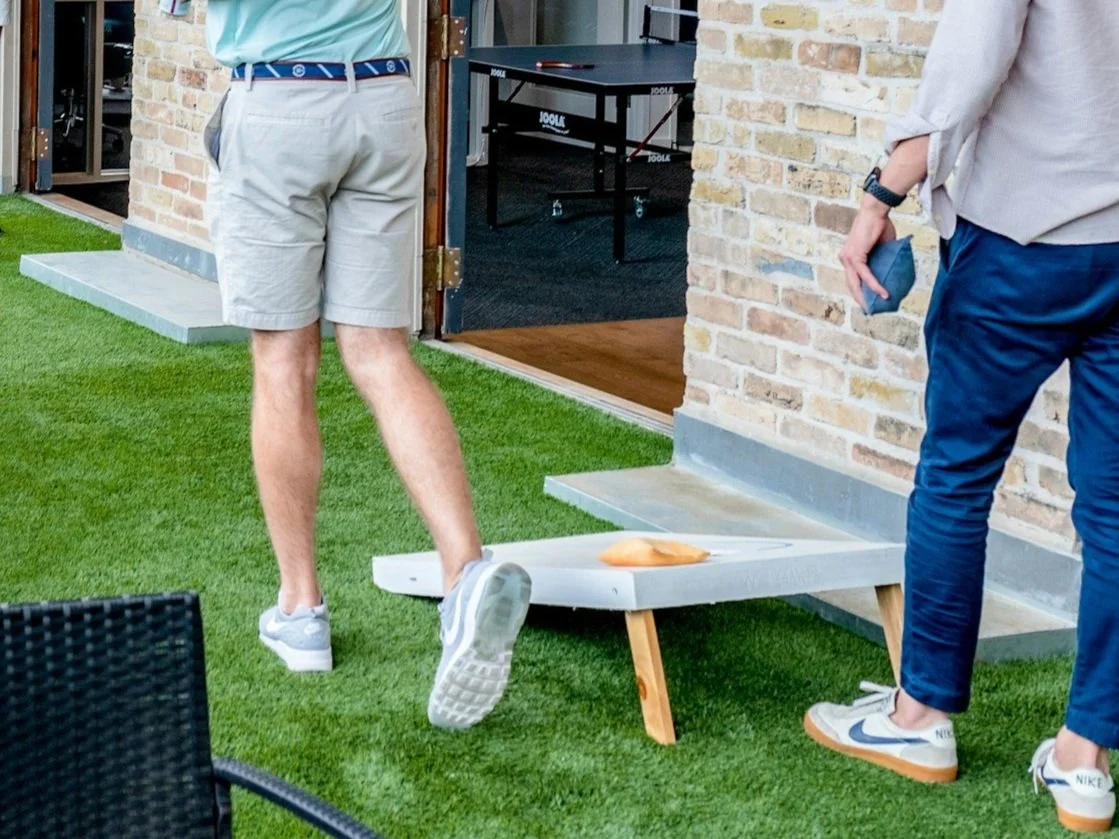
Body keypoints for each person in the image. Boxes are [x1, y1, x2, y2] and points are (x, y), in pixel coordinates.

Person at [160, 0, 533, 730]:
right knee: (379, 350)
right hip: (387, 99)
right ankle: (463, 573)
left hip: (281, 103)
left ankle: (300, 609)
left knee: (283, 363)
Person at [803, 1, 1119, 833]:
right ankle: (1084, 760)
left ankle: (919, 721)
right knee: (1118, 512)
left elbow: (963, 74)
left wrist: (879, 193)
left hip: (1021, 243)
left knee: (955, 477)